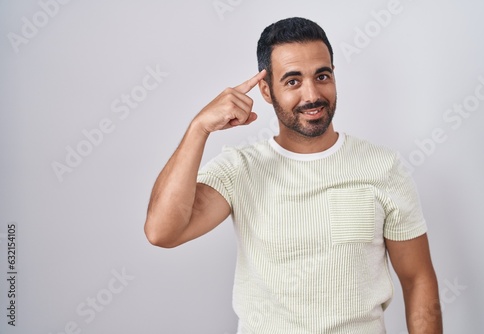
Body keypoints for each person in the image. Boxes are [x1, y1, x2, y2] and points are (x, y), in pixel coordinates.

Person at [144, 17, 442, 333]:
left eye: (322, 76)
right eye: (293, 81)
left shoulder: (383, 167)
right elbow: (162, 232)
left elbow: (418, 278)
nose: (312, 95)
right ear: (266, 90)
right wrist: (199, 128)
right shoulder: (240, 168)